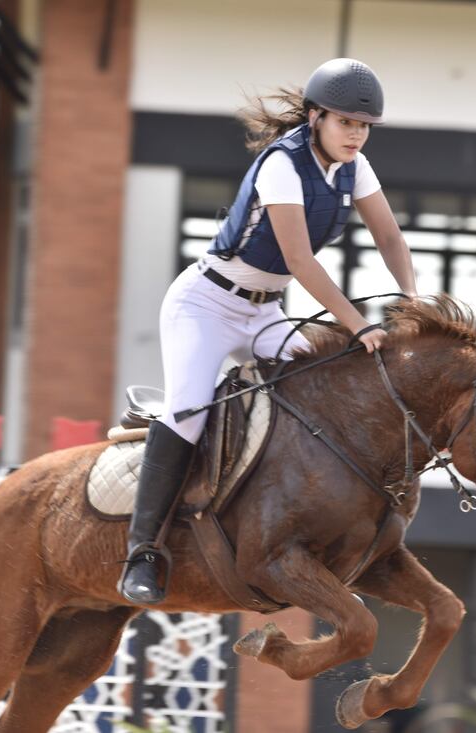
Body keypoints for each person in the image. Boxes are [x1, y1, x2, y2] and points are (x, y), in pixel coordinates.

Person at [119, 58, 419, 604]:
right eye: (346, 122)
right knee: (189, 411)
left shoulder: (356, 165)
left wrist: (413, 301)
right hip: (205, 306)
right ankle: (143, 553)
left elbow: (391, 240)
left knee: (322, 382)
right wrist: (356, 326)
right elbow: (301, 262)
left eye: (364, 125)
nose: (356, 134)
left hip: (264, 312)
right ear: (315, 117)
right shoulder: (282, 164)